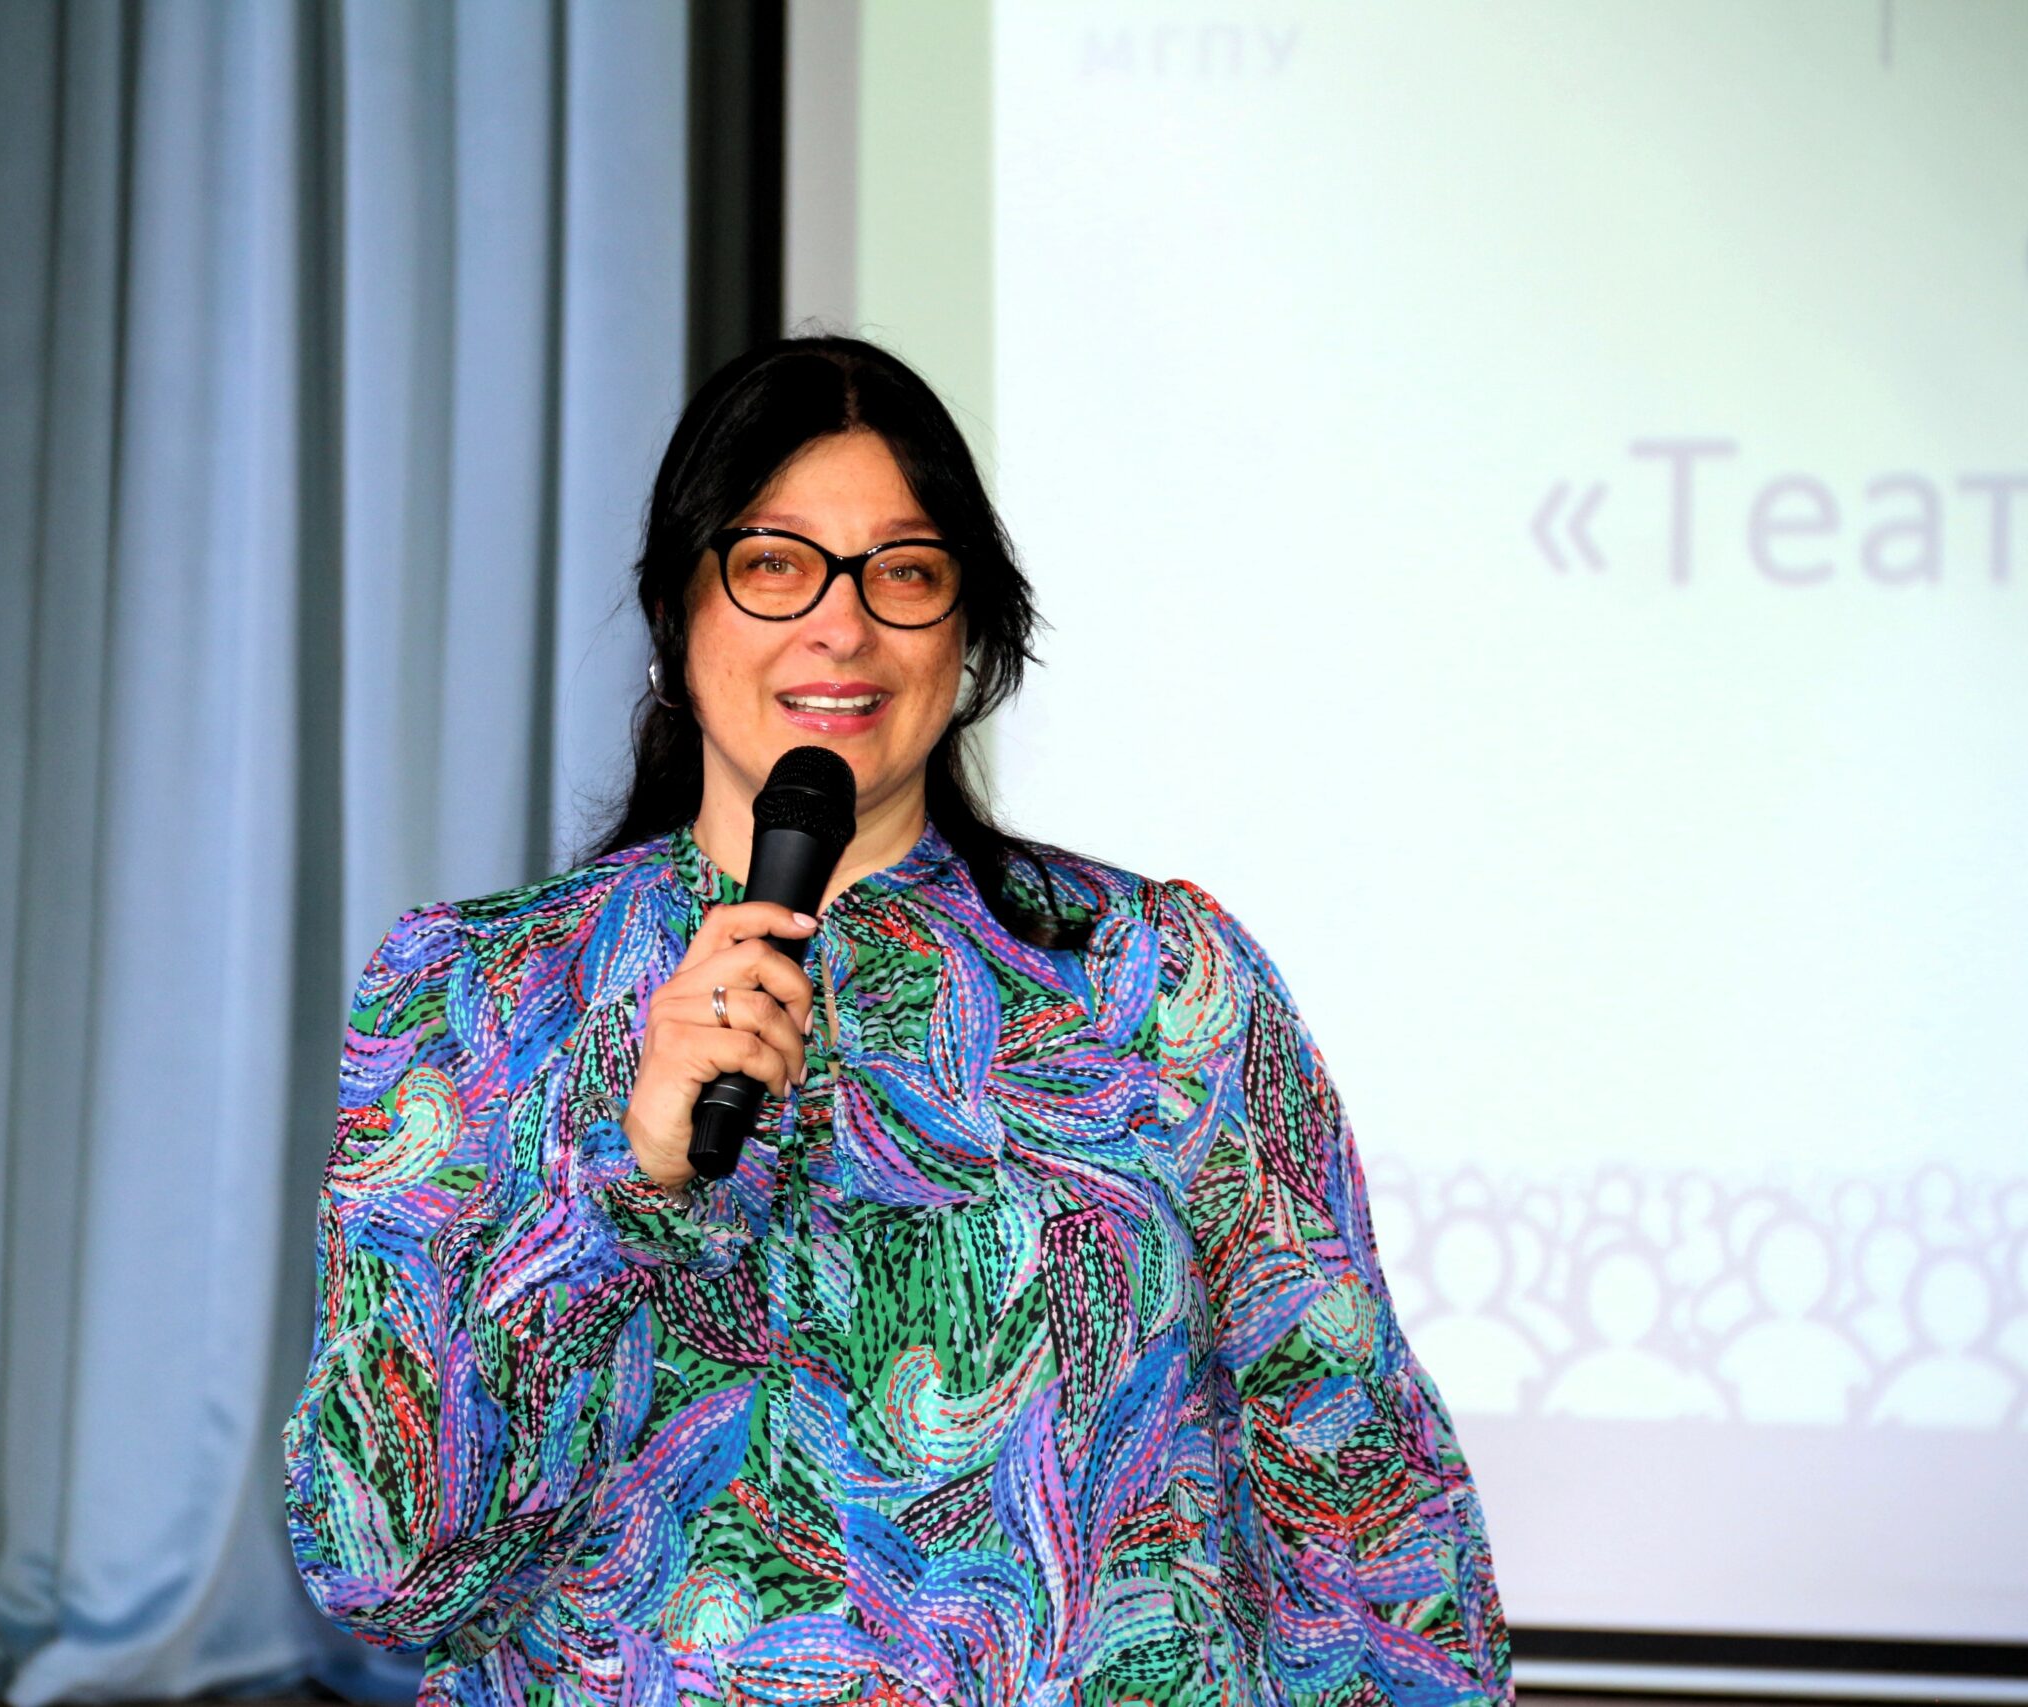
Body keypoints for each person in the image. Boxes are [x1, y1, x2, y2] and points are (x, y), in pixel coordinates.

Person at [284, 335, 1510, 1706]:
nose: (842, 627)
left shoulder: (1156, 976)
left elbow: (1364, 1499)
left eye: (906, 573)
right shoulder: (477, 992)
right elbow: (382, 1568)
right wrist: (619, 1190)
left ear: (969, 631)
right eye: (775, 565)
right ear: (675, 614)